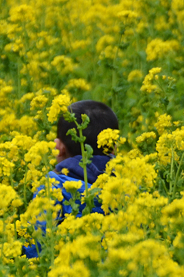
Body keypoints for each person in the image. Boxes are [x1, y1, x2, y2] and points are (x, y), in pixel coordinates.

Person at [21, 100, 119, 258]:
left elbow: (37, 243)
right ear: (114, 147)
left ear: (58, 148)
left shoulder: (52, 187)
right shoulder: (127, 183)